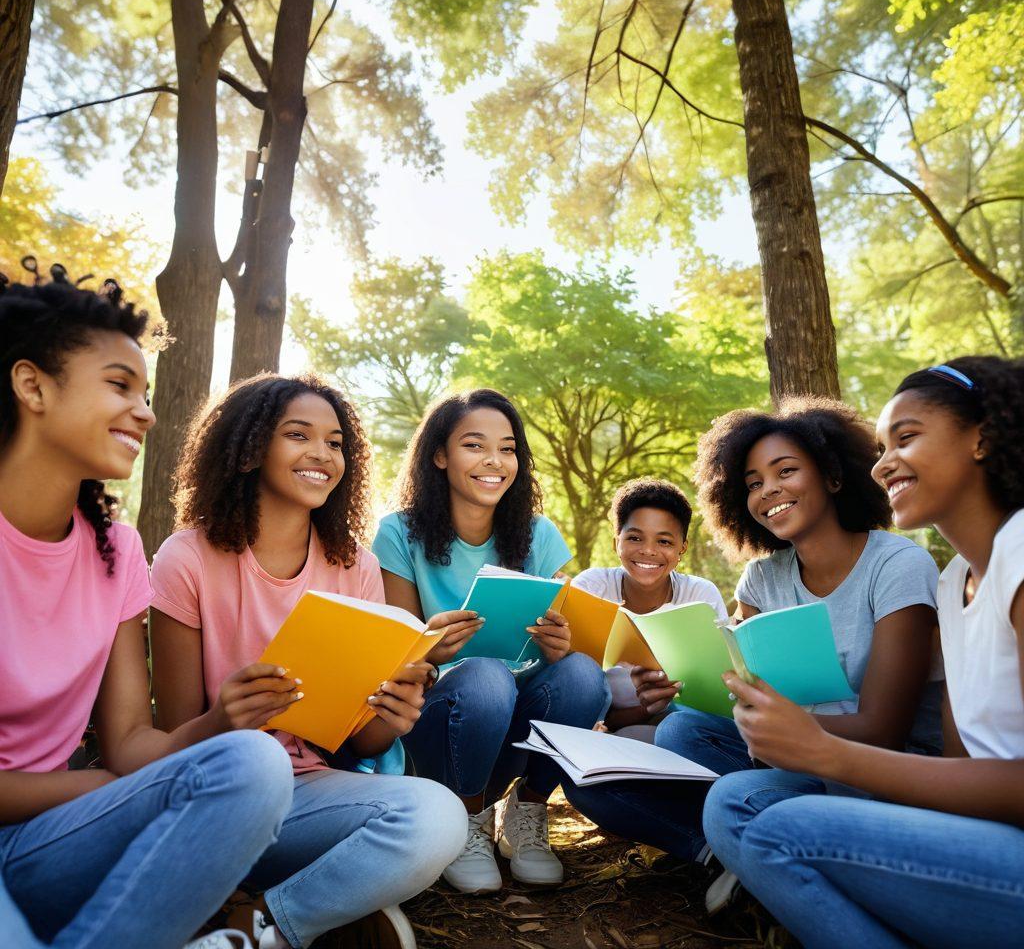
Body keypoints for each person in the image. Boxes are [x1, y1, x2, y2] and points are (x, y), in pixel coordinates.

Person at [0, 276, 294, 949]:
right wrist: (96, 788)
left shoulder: (116, 549)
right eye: (118, 385)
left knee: (254, 765)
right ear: (32, 385)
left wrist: (221, 721)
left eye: (146, 393)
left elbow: (131, 741)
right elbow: (116, 774)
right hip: (68, 808)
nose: (146, 413)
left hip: (52, 841)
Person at [555, 398, 940, 897]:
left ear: (833, 476)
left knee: (730, 790)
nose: (768, 491)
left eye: (785, 471)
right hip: (786, 760)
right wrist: (675, 688)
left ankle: (758, 844)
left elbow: (884, 731)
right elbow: (732, 688)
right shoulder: (760, 578)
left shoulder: (896, 566)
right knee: (643, 750)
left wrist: (776, 724)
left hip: (873, 769)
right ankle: (727, 853)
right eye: (753, 483)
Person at [703, 357, 1024, 948]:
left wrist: (826, 753)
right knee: (731, 802)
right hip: (974, 828)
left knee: (779, 834)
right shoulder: (957, 584)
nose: (883, 463)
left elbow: (894, 736)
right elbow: (960, 766)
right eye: (880, 447)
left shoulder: (1012, 558)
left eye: (906, 438)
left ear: (982, 438)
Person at [149, 374, 467, 949]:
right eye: (299, 435)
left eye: (337, 442)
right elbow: (174, 739)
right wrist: (226, 717)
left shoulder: (355, 566)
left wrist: (391, 716)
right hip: (215, 797)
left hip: (308, 794)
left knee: (439, 816)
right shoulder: (186, 558)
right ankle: (328, 901)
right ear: (249, 449)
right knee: (256, 773)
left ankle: (265, 922)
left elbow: (362, 743)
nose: (323, 454)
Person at [372, 388, 609, 893]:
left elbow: (562, 638)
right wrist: (428, 647)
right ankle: (467, 820)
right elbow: (396, 657)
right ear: (439, 455)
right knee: (484, 677)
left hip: (515, 723)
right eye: (474, 445)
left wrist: (559, 643)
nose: (494, 462)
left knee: (584, 674)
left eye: (508, 449)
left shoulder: (538, 535)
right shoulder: (398, 533)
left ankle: (527, 812)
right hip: (438, 722)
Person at [572, 477, 726, 738]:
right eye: (634, 538)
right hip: (601, 729)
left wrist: (662, 703)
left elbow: (715, 699)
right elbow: (575, 690)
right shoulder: (591, 588)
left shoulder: (700, 597)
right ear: (616, 542)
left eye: (664, 542)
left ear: (682, 548)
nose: (648, 551)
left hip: (680, 728)